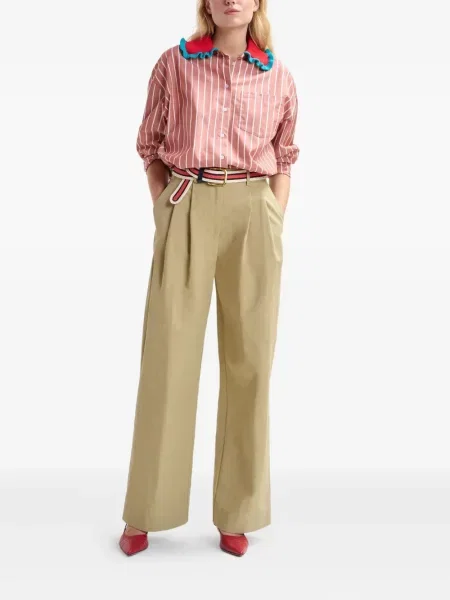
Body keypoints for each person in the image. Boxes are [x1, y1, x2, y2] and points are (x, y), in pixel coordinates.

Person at [119, 0, 299, 558]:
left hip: (253, 211)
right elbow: (149, 143)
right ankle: (146, 510)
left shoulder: (279, 75)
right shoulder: (173, 64)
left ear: (257, 3)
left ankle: (237, 513)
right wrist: (166, 208)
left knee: (250, 363)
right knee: (168, 357)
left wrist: (272, 217)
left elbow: (285, 157)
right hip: (188, 200)